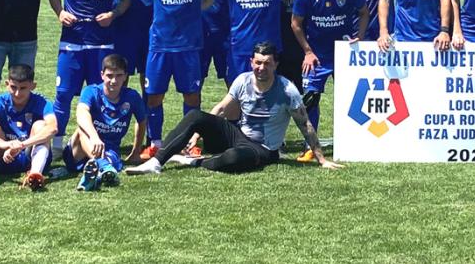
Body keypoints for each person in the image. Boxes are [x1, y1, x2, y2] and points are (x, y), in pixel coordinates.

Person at [125, 42, 343, 175]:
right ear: (251, 62)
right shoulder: (243, 80)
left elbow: (305, 124)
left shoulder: (287, 90)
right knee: (195, 115)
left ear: (276, 65)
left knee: (234, 159)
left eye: (267, 63)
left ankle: (195, 162)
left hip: (263, 149)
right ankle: (156, 162)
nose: (262, 68)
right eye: (258, 63)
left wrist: (322, 160)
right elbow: (221, 108)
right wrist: (196, 134)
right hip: (238, 134)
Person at [119, 0, 238, 159]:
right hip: (159, 47)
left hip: (189, 48)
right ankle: (155, 143)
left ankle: (188, 142)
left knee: (191, 97)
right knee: (154, 97)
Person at [47, 0, 131, 154]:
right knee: (63, 94)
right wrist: (60, 12)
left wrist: (113, 14)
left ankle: (96, 142)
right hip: (71, 41)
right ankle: (56, 145)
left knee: (100, 95)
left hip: (101, 43)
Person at [291, 0, 369, 162]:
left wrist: (360, 36)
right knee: (310, 99)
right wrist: (307, 51)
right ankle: (310, 146)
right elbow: (295, 24)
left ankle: (354, 142)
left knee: (352, 98)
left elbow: (364, 13)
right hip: (316, 56)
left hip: (343, 54)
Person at [62, 54, 146, 191]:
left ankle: (94, 177)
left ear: (125, 76)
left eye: (119, 75)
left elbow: (142, 121)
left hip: (109, 149)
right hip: (80, 149)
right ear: (102, 75)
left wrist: (136, 151)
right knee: (81, 129)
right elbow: (81, 112)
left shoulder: (132, 97)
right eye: (109, 76)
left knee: (108, 165)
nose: (114, 80)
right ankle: (102, 165)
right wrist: (94, 137)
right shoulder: (91, 91)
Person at [0, 64, 58, 191]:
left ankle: (35, 173)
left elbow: (52, 128)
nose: (17, 93)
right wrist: (5, 145)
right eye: (13, 87)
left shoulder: (42, 102)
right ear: (7, 84)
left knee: (41, 125)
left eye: (23, 88)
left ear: (33, 86)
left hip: (30, 153)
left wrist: (22, 145)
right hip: (5, 155)